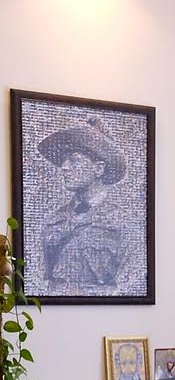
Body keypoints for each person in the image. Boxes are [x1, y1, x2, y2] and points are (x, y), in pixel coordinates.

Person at [37, 117, 128, 289]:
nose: (64, 167)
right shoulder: (54, 220)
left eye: (74, 160)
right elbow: (38, 278)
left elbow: (128, 285)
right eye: (64, 161)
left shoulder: (121, 222)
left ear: (98, 168)